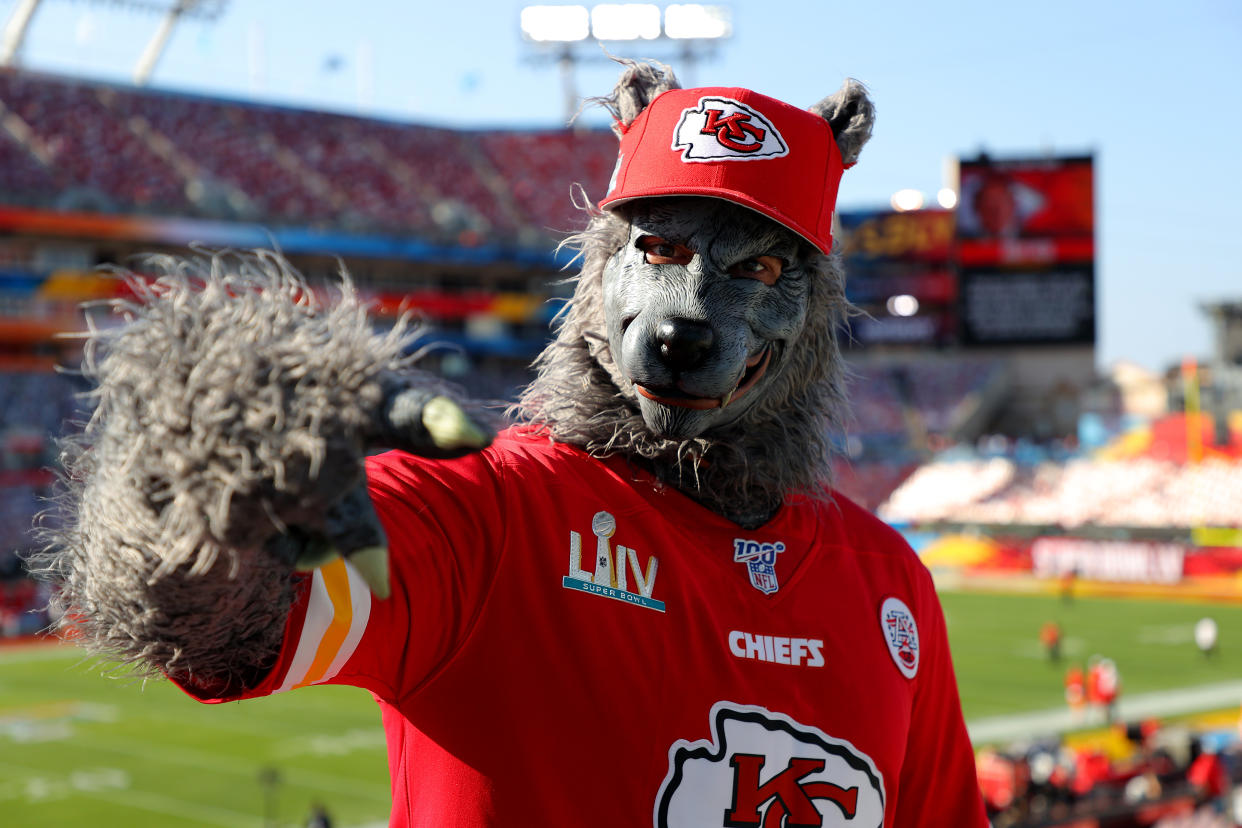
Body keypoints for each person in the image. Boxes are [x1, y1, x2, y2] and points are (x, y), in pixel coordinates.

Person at [39, 61, 987, 825]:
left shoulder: (888, 579)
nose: (686, 315)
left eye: (761, 268)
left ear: (817, 311)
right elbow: (216, 623)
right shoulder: (486, 517)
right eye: (658, 252)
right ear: (599, 268)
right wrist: (200, 471)